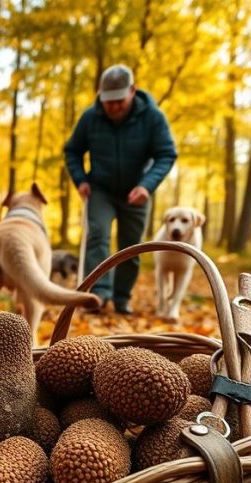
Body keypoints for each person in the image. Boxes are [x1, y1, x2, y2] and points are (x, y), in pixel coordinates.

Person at [64, 64, 177, 314]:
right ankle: (97, 295)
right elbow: (72, 150)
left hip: (136, 191)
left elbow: (167, 154)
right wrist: (80, 179)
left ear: (132, 91)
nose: (113, 106)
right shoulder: (90, 118)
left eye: (118, 100)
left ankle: (122, 297)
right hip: (100, 190)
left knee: (131, 246)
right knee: (97, 237)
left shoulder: (153, 118)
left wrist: (147, 186)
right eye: (107, 101)